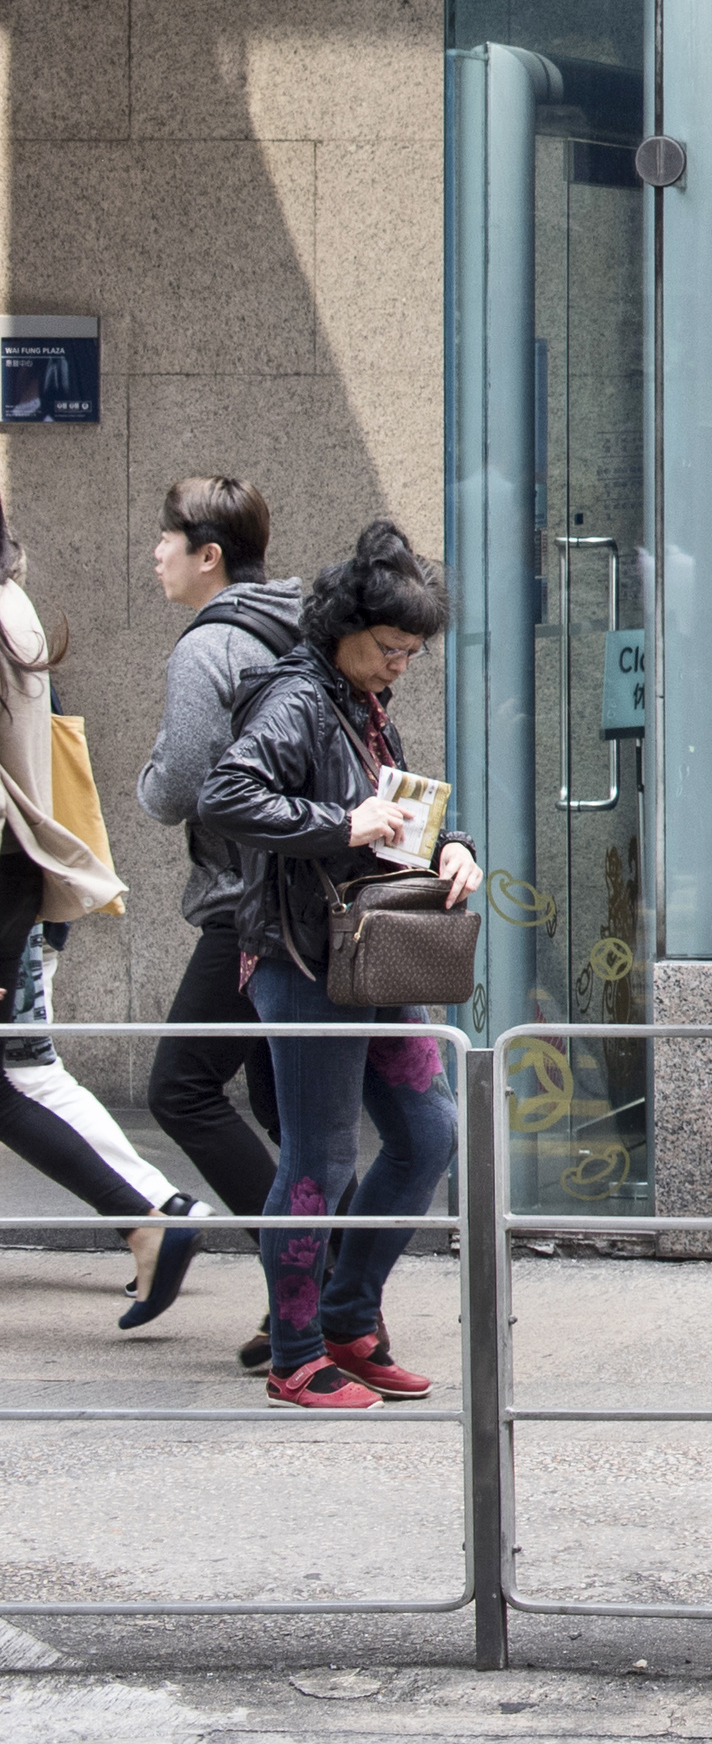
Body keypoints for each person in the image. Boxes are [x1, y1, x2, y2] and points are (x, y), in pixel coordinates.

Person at [196, 521, 478, 1412]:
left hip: (366, 952)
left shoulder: (357, 698)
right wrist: (340, 825)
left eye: (412, 651)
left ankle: (349, 1320)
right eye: (391, 646)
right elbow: (224, 793)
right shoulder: (295, 698)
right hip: (301, 956)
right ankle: (294, 1355)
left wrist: (454, 845)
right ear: (344, 627)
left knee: (429, 1133)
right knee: (317, 1157)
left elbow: (396, 808)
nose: (401, 664)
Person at [0, 502, 203, 1324]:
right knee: (23, 1071)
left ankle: (149, 1213)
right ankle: (151, 1213)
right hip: (19, 879)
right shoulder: (14, 605)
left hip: (9, 880)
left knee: (20, 1077)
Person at [135, 474, 293, 1333]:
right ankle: (329, 1295)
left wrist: (146, 775)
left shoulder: (209, 647)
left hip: (246, 904)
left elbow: (177, 787)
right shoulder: (295, 623)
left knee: (182, 1087)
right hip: (303, 895)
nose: (154, 553)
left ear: (208, 554)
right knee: (286, 1108)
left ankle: (310, 1275)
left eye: (166, 539)